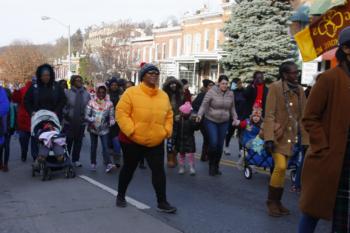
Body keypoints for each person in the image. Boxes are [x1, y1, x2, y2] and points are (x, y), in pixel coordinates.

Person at [298, 27, 350, 233]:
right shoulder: (328, 79)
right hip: (330, 157)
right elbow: (309, 118)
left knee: (344, 216)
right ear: (346, 49)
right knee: (313, 210)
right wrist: (323, 146)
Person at [116, 63, 176, 213]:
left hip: (155, 140)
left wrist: (166, 131)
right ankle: (120, 196)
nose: (154, 75)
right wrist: (131, 131)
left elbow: (169, 115)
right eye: (150, 73)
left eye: (156, 73)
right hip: (133, 141)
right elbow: (121, 113)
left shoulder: (163, 95)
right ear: (143, 76)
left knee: (158, 172)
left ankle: (162, 202)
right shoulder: (131, 92)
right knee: (129, 169)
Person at [263, 61, 309, 217]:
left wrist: (306, 141)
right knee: (281, 167)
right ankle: (271, 202)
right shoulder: (275, 88)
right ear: (284, 74)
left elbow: (304, 117)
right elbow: (269, 114)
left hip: (291, 137)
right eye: (293, 72)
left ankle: (278, 202)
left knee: (283, 171)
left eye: (297, 72)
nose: (296, 75)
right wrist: (268, 138)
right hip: (277, 136)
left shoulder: (300, 90)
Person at [197, 75, 240, 176]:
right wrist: (199, 115)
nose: (225, 85)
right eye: (223, 83)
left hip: (224, 122)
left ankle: (216, 166)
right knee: (214, 143)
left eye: (226, 84)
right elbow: (204, 104)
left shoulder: (230, 93)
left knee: (220, 146)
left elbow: (232, 107)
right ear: (218, 83)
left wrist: (235, 118)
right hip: (211, 120)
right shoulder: (211, 92)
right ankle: (211, 165)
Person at [24, 64, 66, 160]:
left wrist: (57, 111)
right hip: (38, 117)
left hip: (53, 116)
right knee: (37, 136)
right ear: (40, 76)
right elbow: (26, 100)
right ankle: (37, 157)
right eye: (44, 75)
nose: (46, 77)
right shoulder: (34, 87)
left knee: (54, 136)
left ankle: (56, 156)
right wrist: (31, 112)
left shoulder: (56, 86)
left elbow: (63, 100)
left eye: (48, 75)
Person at [85, 84, 115, 173]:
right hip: (93, 128)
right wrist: (92, 120)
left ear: (106, 92)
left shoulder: (109, 103)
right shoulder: (91, 102)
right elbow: (86, 115)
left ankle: (108, 163)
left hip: (104, 129)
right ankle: (93, 163)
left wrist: (112, 121)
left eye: (103, 92)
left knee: (105, 147)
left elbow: (111, 116)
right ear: (96, 92)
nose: (101, 94)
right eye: (99, 92)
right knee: (93, 146)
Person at [63, 75, 90, 167]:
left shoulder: (86, 94)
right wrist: (66, 114)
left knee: (78, 142)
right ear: (72, 82)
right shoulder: (67, 93)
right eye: (77, 80)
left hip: (81, 122)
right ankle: (66, 158)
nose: (79, 81)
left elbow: (89, 107)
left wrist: (87, 117)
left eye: (80, 80)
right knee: (68, 141)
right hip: (69, 121)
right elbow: (63, 106)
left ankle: (76, 159)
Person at [162, 76, 184, 168]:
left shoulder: (181, 94)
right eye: (171, 84)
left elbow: (187, 106)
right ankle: (170, 158)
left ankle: (174, 155)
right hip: (169, 121)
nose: (173, 85)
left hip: (180, 121)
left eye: (174, 83)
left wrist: (182, 114)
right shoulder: (164, 95)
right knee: (170, 140)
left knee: (179, 140)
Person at [173, 101, 199, 175]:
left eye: (181, 112)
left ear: (186, 113)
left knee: (191, 154)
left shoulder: (191, 119)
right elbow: (175, 131)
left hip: (189, 140)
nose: (180, 113)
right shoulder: (178, 120)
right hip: (180, 140)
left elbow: (195, 128)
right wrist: (173, 141)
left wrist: (197, 122)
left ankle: (191, 167)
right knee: (181, 154)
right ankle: (182, 167)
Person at [12, 79, 35, 162]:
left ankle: (24, 153)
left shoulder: (22, 90)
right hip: (34, 119)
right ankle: (34, 156)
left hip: (23, 119)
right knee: (34, 141)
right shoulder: (38, 91)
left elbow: (14, 99)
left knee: (23, 139)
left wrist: (16, 91)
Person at [192, 79, 215, 162]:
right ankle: (205, 155)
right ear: (206, 87)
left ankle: (206, 155)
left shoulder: (214, 95)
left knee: (209, 138)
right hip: (203, 120)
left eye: (213, 85)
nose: (212, 87)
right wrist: (203, 110)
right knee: (207, 137)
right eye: (210, 85)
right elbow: (194, 105)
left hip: (212, 120)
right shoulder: (202, 95)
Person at [224, 78, 247, 156]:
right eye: (236, 83)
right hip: (232, 116)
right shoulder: (231, 92)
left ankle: (240, 150)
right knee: (230, 132)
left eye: (240, 83)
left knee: (241, 134)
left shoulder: (245, 91)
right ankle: (226, 147)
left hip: (242, 116)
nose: (239, 85)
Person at [107, 77, 123, 168]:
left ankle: (117, 160)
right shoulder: (106, 95)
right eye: (112, 85)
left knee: (116, 141)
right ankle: (108, 160)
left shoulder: (121, 95)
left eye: (115, 85)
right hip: (107, 121)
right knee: (108, 143)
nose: (114, 86)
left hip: (118, 122)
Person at [0, 86, 10, 171]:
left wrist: (12, 128)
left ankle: (5, 164)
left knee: (6, 147)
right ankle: (1, 163)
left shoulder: (10, 107)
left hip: (7, 130)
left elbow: (13, 119)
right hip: (2, 129)